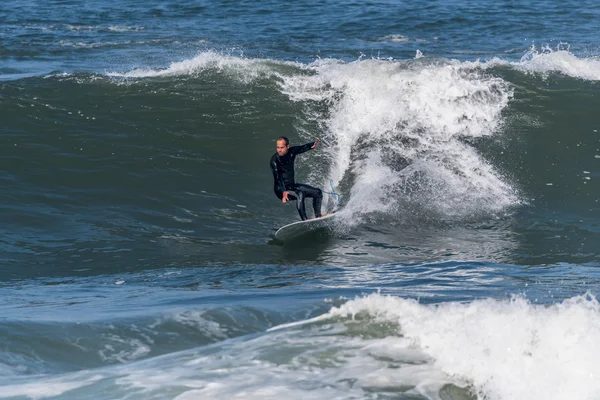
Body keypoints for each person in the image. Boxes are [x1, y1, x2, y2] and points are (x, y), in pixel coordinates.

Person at [270, 136, 322, 221]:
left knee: (317, 192)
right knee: (300, 193)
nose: (279, 150)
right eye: (278, 147)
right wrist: (284, 192)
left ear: (287, 146)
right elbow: (278, 179)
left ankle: (319, 217)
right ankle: (305, 220)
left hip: (292, 186)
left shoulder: (292, 152)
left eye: (282, 147)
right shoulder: (274, 161)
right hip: (280, 189)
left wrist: (312, 144)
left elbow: (302, 148)